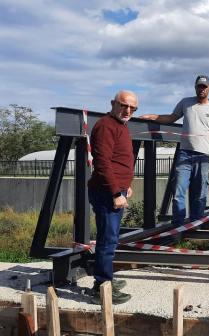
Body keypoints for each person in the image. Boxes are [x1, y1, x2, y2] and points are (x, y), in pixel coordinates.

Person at [140, 75, 209, 227]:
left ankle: (196, 223)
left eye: (204, 87)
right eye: (199, 86)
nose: (201, 89)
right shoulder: (186, 102)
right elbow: (171, 118)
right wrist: (153, 116)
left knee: (200, 193)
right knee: (178, 191)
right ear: (195, 87)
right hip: (185, 153)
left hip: (203, 156)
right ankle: (178, 225)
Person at [87, 90, 138, 305]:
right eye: (123, 105)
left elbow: (120, 160)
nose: (128, 111)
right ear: (113, 104)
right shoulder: (106, 126)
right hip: (107, 194)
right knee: (108, 240)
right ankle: (102, 287)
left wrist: (126, 186)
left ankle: (104, 280)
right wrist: (116, 192)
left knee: (109, 238)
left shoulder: (120, 126)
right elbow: (103, 162)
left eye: (132, 108)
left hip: (116, 191)